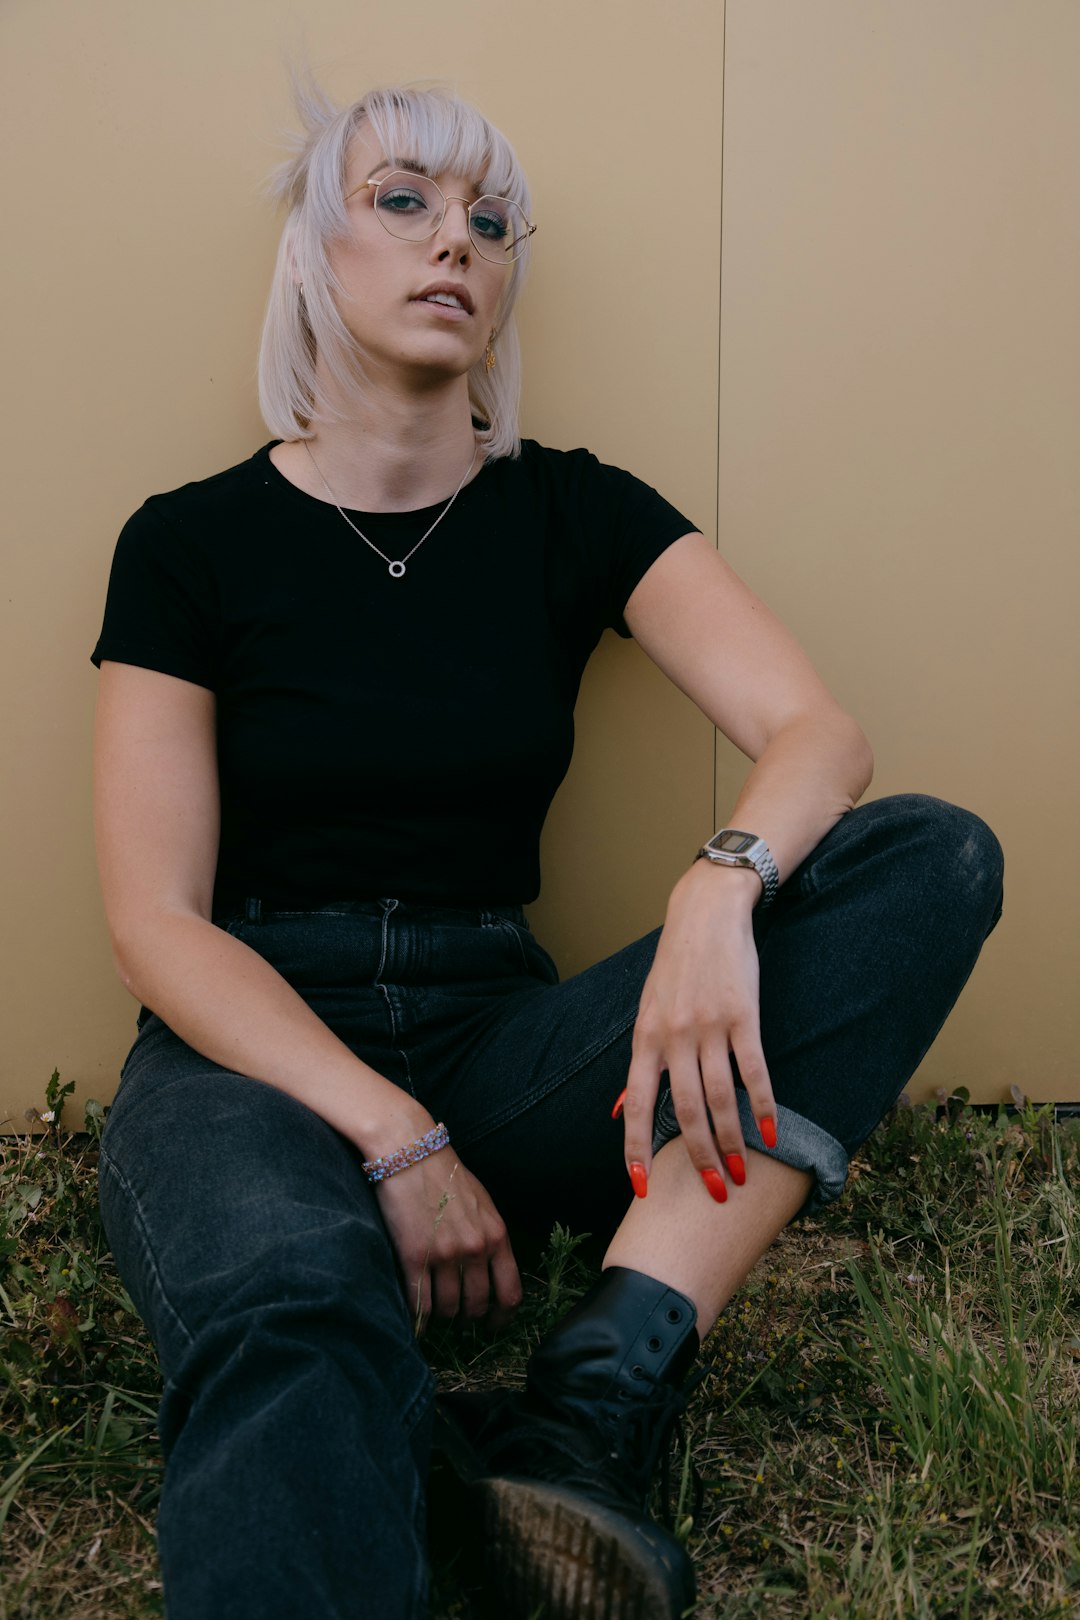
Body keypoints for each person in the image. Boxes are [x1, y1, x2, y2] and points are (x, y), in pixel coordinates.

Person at [90, 82, 1003, 1620]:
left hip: (504, 1032)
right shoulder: (188, 543)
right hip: (253, 1052)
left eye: (491, 222)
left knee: (930, 860)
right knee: (293, 1314)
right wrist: (391, 1135)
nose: (457, 241)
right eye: (405, 202)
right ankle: (394, 1476)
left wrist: (723, 886)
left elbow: (819, 740)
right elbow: (156, 920)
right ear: (315, 244)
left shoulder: (572, 510)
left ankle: (584, 1418)